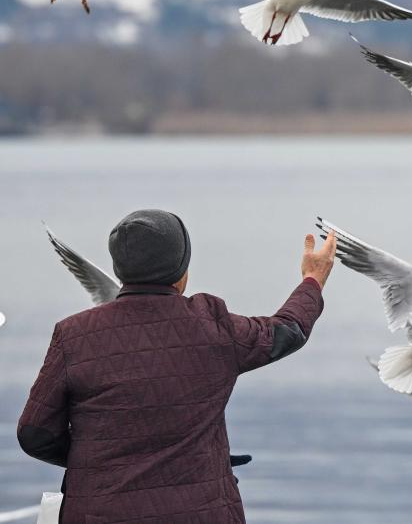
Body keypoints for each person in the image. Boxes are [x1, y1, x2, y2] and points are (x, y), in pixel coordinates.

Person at [17, 209, 337, 523]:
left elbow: (34, 434)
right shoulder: (213, 325)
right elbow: (287, 332)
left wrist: (97, 458)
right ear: (181, 275)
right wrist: (312, 280)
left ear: (119, 271)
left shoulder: (73, 335)